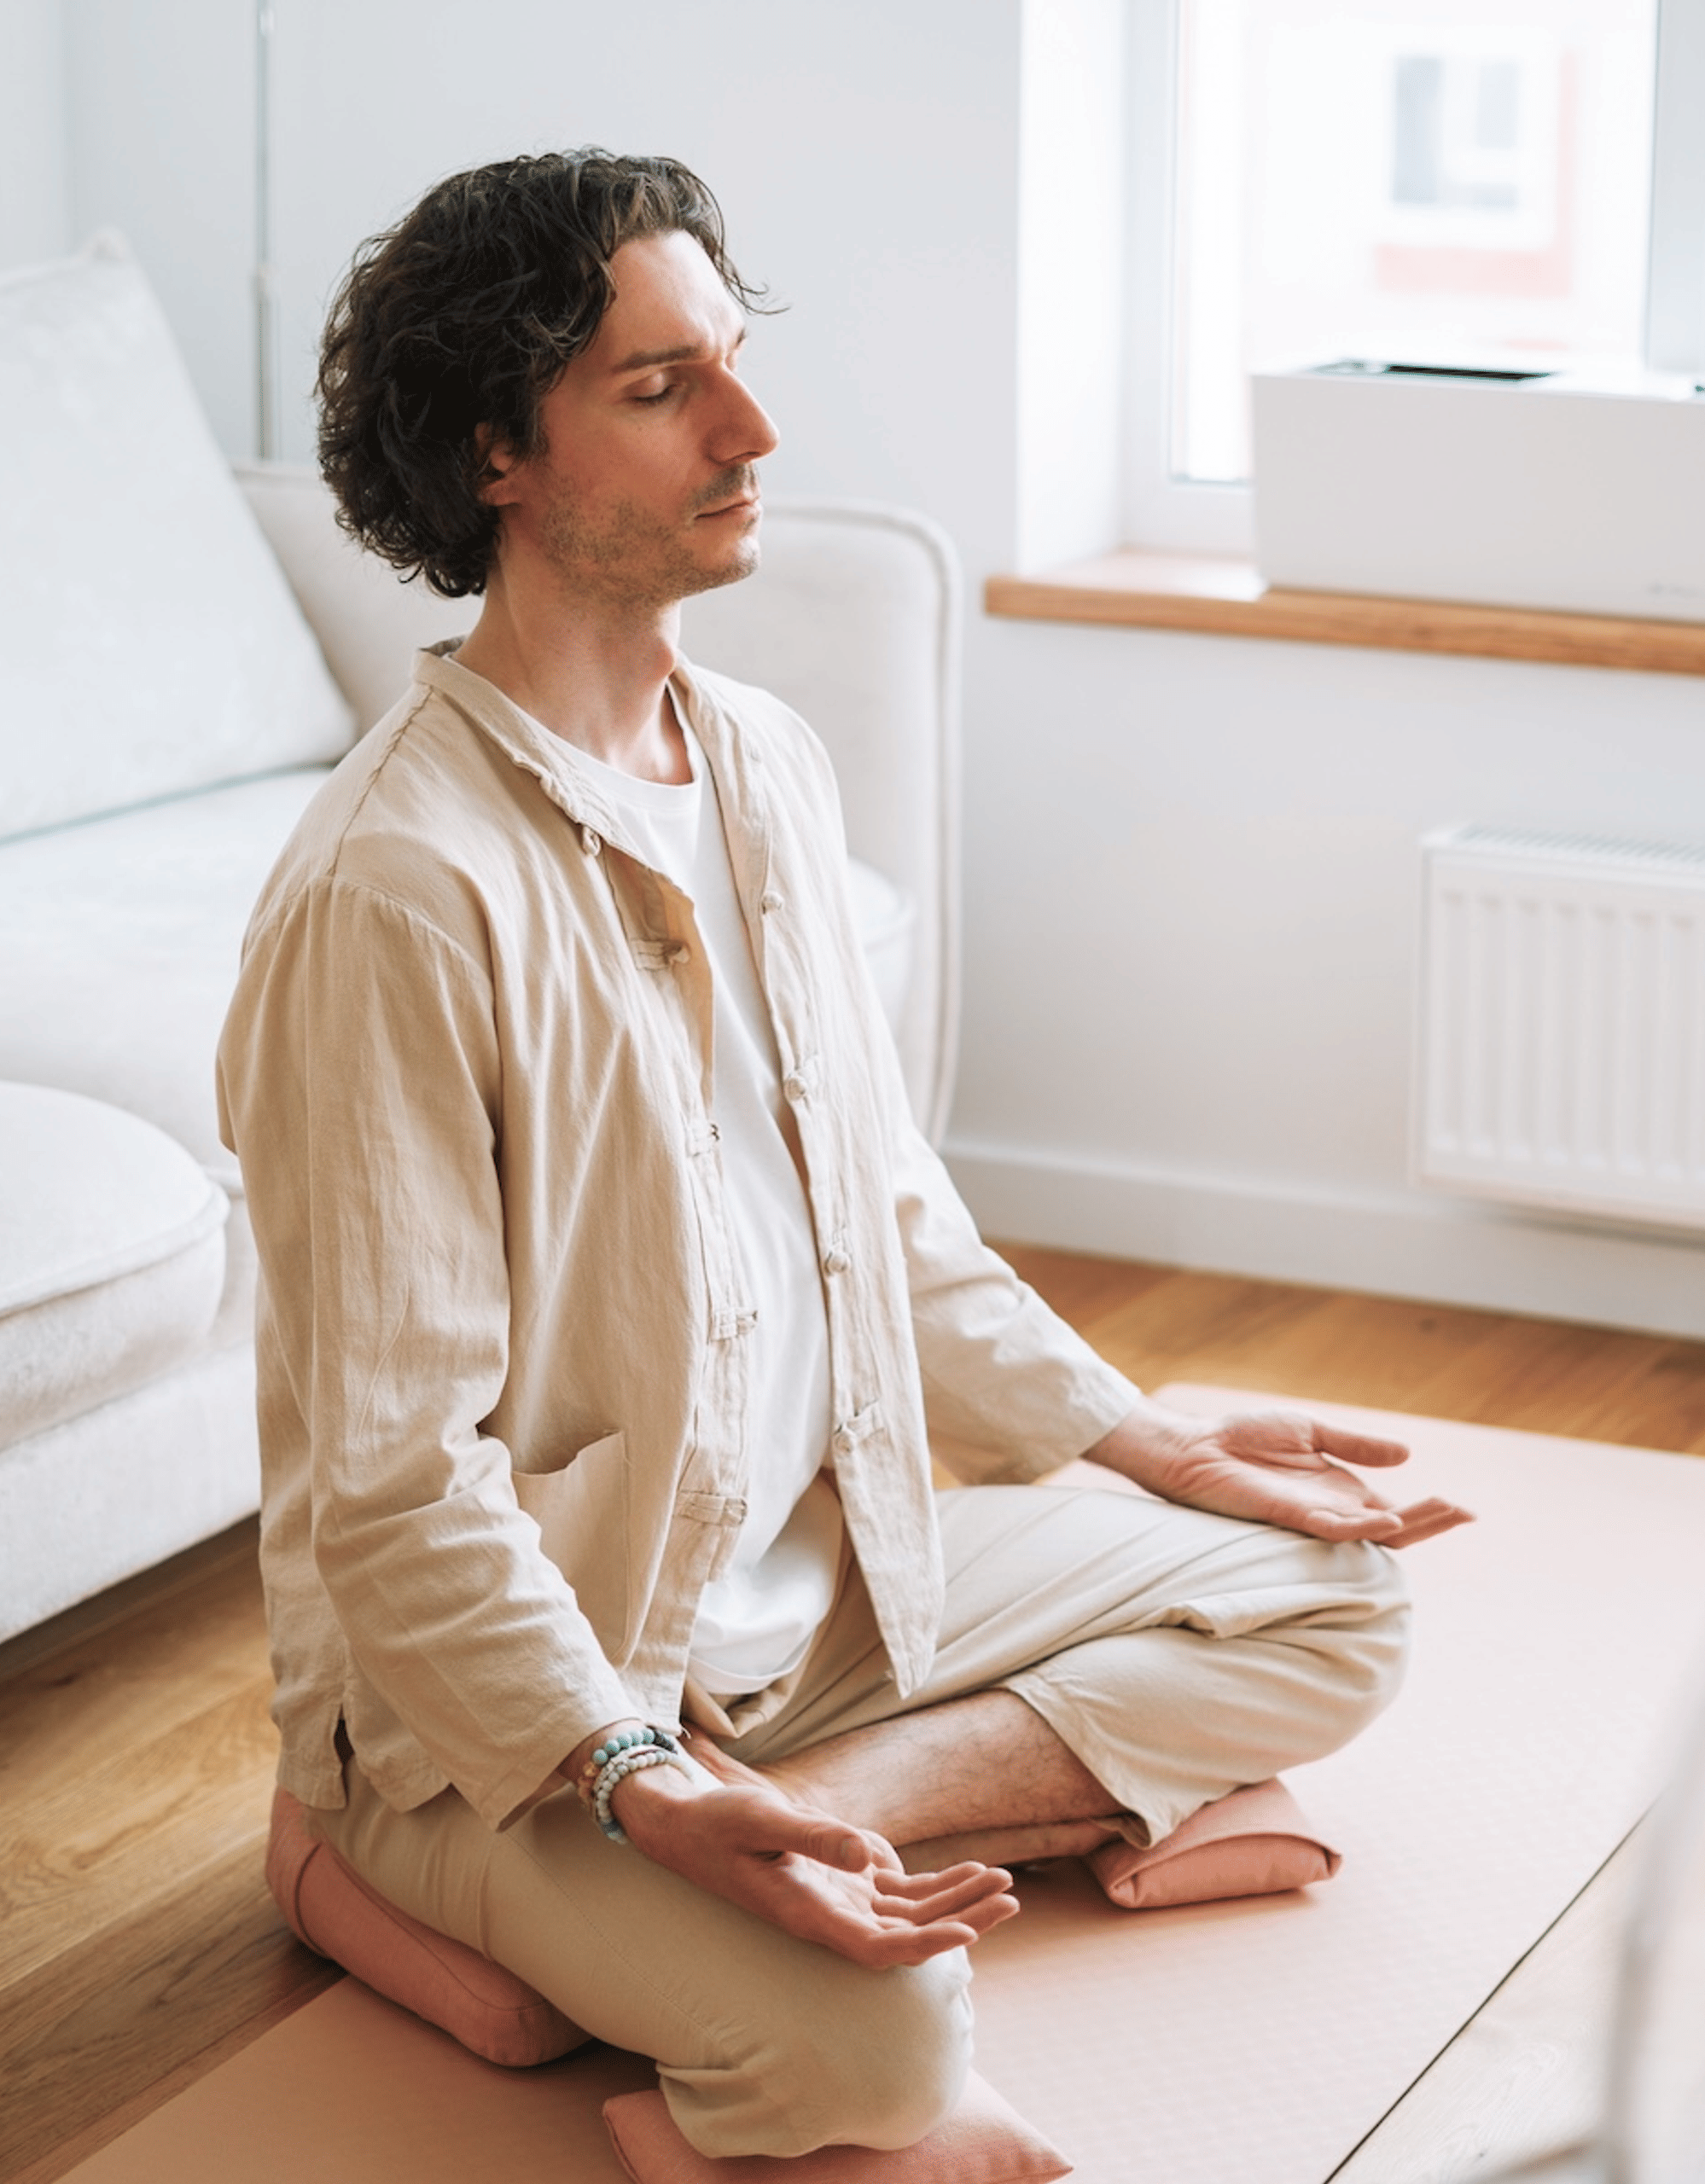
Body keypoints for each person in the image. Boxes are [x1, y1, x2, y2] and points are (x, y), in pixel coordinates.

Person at [216, 148, 1470, 2163]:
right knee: (890, 2059)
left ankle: (791, 1842)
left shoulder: (769, 764)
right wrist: (638, 1773)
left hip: (830, 1616)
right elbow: (394, 1488)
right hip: (532, 1709)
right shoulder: (393, 895)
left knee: (1340, 1594)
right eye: (658, 388)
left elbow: (888, 1220)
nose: (753, 429)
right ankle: (375, 1856)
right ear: (495, 456)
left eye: (732, 360)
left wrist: (1149, 1441)